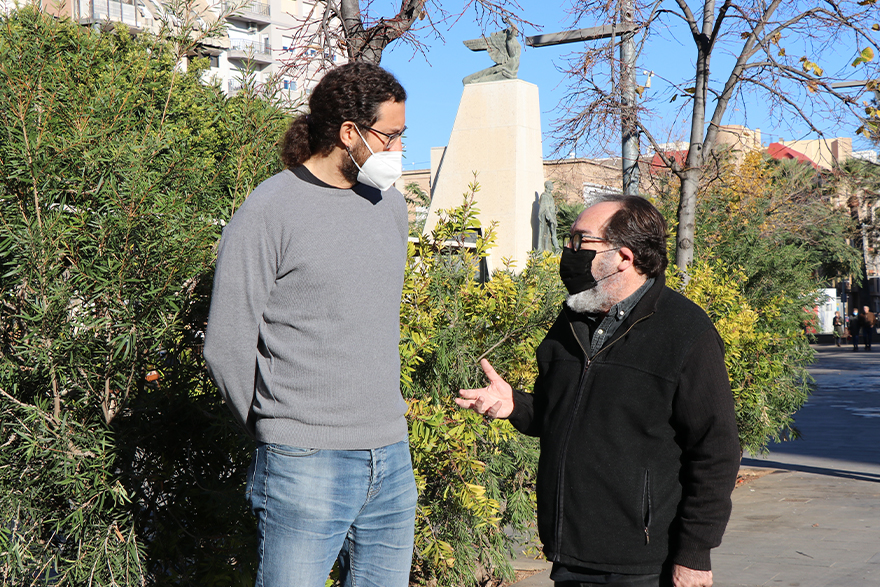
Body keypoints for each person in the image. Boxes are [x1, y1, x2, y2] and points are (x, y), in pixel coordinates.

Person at [203, 62, 416, 587]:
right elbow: (227, 345)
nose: (397, 151)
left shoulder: (389, 205)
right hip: (305, 460)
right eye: (389, 137)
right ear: (350, 133)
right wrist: (279, 431)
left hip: (391, 453)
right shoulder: (269, 210)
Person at [456, 195, 741, 587]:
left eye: (579, 241)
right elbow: (565, 413)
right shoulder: (571, 320)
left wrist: (694, 554)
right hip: (569, 551)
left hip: (643, 563)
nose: (567, 252)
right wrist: (514, 405)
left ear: (623, 256)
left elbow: (716, 450)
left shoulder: (685, 332)